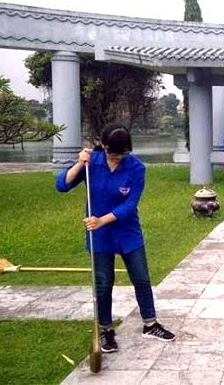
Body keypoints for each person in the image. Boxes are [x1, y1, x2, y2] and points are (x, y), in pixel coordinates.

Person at [56, 123, 175, 353]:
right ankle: (106, 330)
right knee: (103, 283)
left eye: (123, 153)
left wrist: (102, 219)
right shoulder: (92, 162)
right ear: (104, 145)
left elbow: (130, 205)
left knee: (141, 278)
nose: (118, 157)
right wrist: (79, 163)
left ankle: (150, 324)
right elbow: (62, 185)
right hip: (100, 236)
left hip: (128, 232)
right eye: (114, 153)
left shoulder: (136, 167)